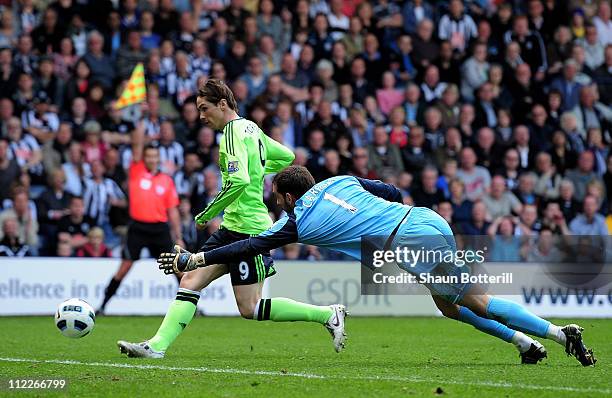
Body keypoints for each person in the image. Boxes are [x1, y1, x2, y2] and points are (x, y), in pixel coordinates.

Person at [160, 166, 596, 367]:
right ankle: (526, 346)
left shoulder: (298, 221)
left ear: (289, 197)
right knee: (448, 306)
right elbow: (387, 188)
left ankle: (559, 334)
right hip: (424, 218)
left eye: (278, 199)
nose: (278, 205)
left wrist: (197, 257)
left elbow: (249, 245)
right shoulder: (341, 180)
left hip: (407, 243)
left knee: (477, 303)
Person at [117, 80, 346, 359]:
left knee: (249, 308)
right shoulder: (250, 128)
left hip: (251, 231)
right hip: (232, 227)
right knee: (189, 281)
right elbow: (287, 155)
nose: (201, 116)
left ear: (222, 104)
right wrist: (258, 168)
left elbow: (238, 181)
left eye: (204, 108)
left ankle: (327, 314)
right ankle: (156, 346)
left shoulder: (232, 132)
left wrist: (207, 214)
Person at [98, 121, 183, 314]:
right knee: (125, 267)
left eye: (155, 156)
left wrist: (177, 235)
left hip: (160, 228)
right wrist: (139, 121)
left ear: (159, 158)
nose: (152, 159)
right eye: (149, 156)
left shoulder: (166, 180)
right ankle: (103, 305)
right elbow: (137, 144)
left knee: (176, 268)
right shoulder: (137, 172)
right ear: (144, 158)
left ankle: (191, 307)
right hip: (138, 227)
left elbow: (173, 211)